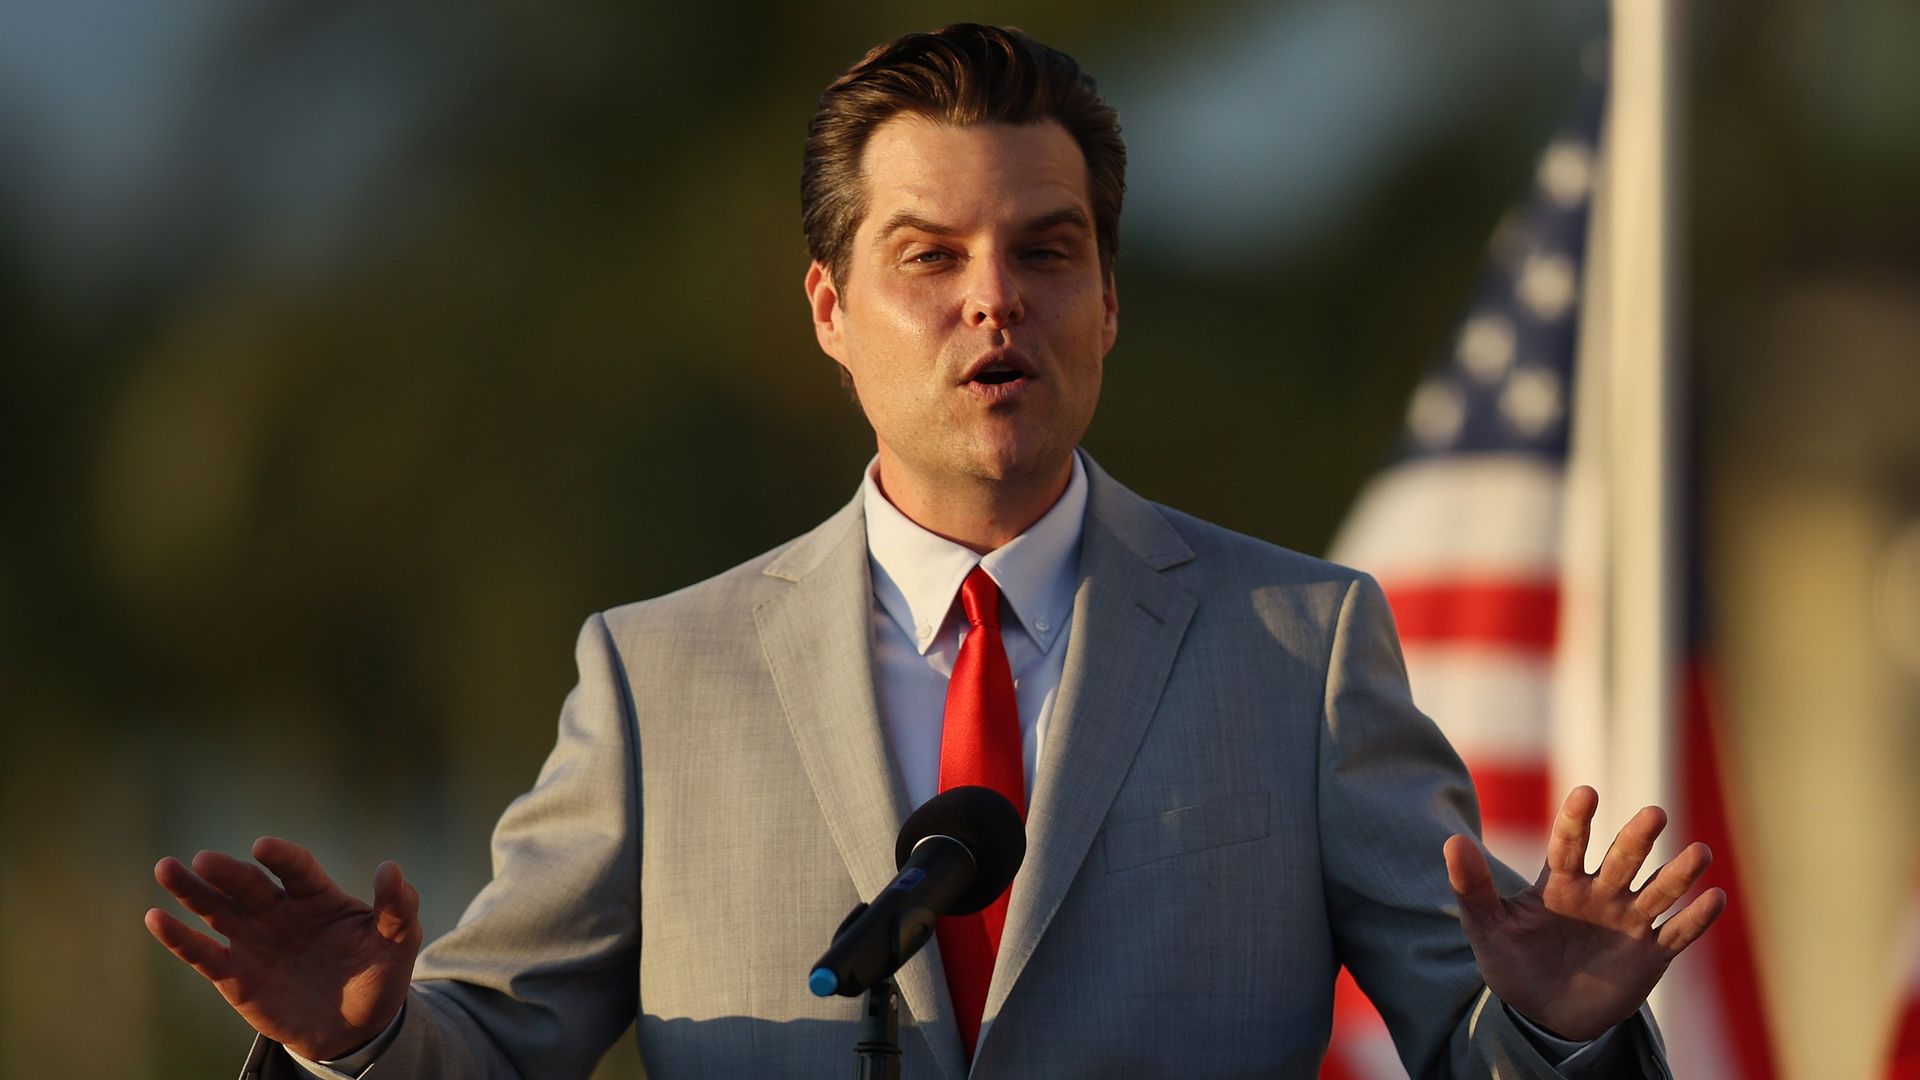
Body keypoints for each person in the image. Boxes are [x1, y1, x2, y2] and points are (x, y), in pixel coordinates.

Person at [146, 24, 1724, 1079]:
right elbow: (489, 1047)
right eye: (930, 257)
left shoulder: (1296, 646)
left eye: (1048, 251)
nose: (996, 300)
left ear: (1109, 302)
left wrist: (1554, 1030)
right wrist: (354, 1043)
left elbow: (1469, 1050)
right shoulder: (657, 676)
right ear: (830, 312)